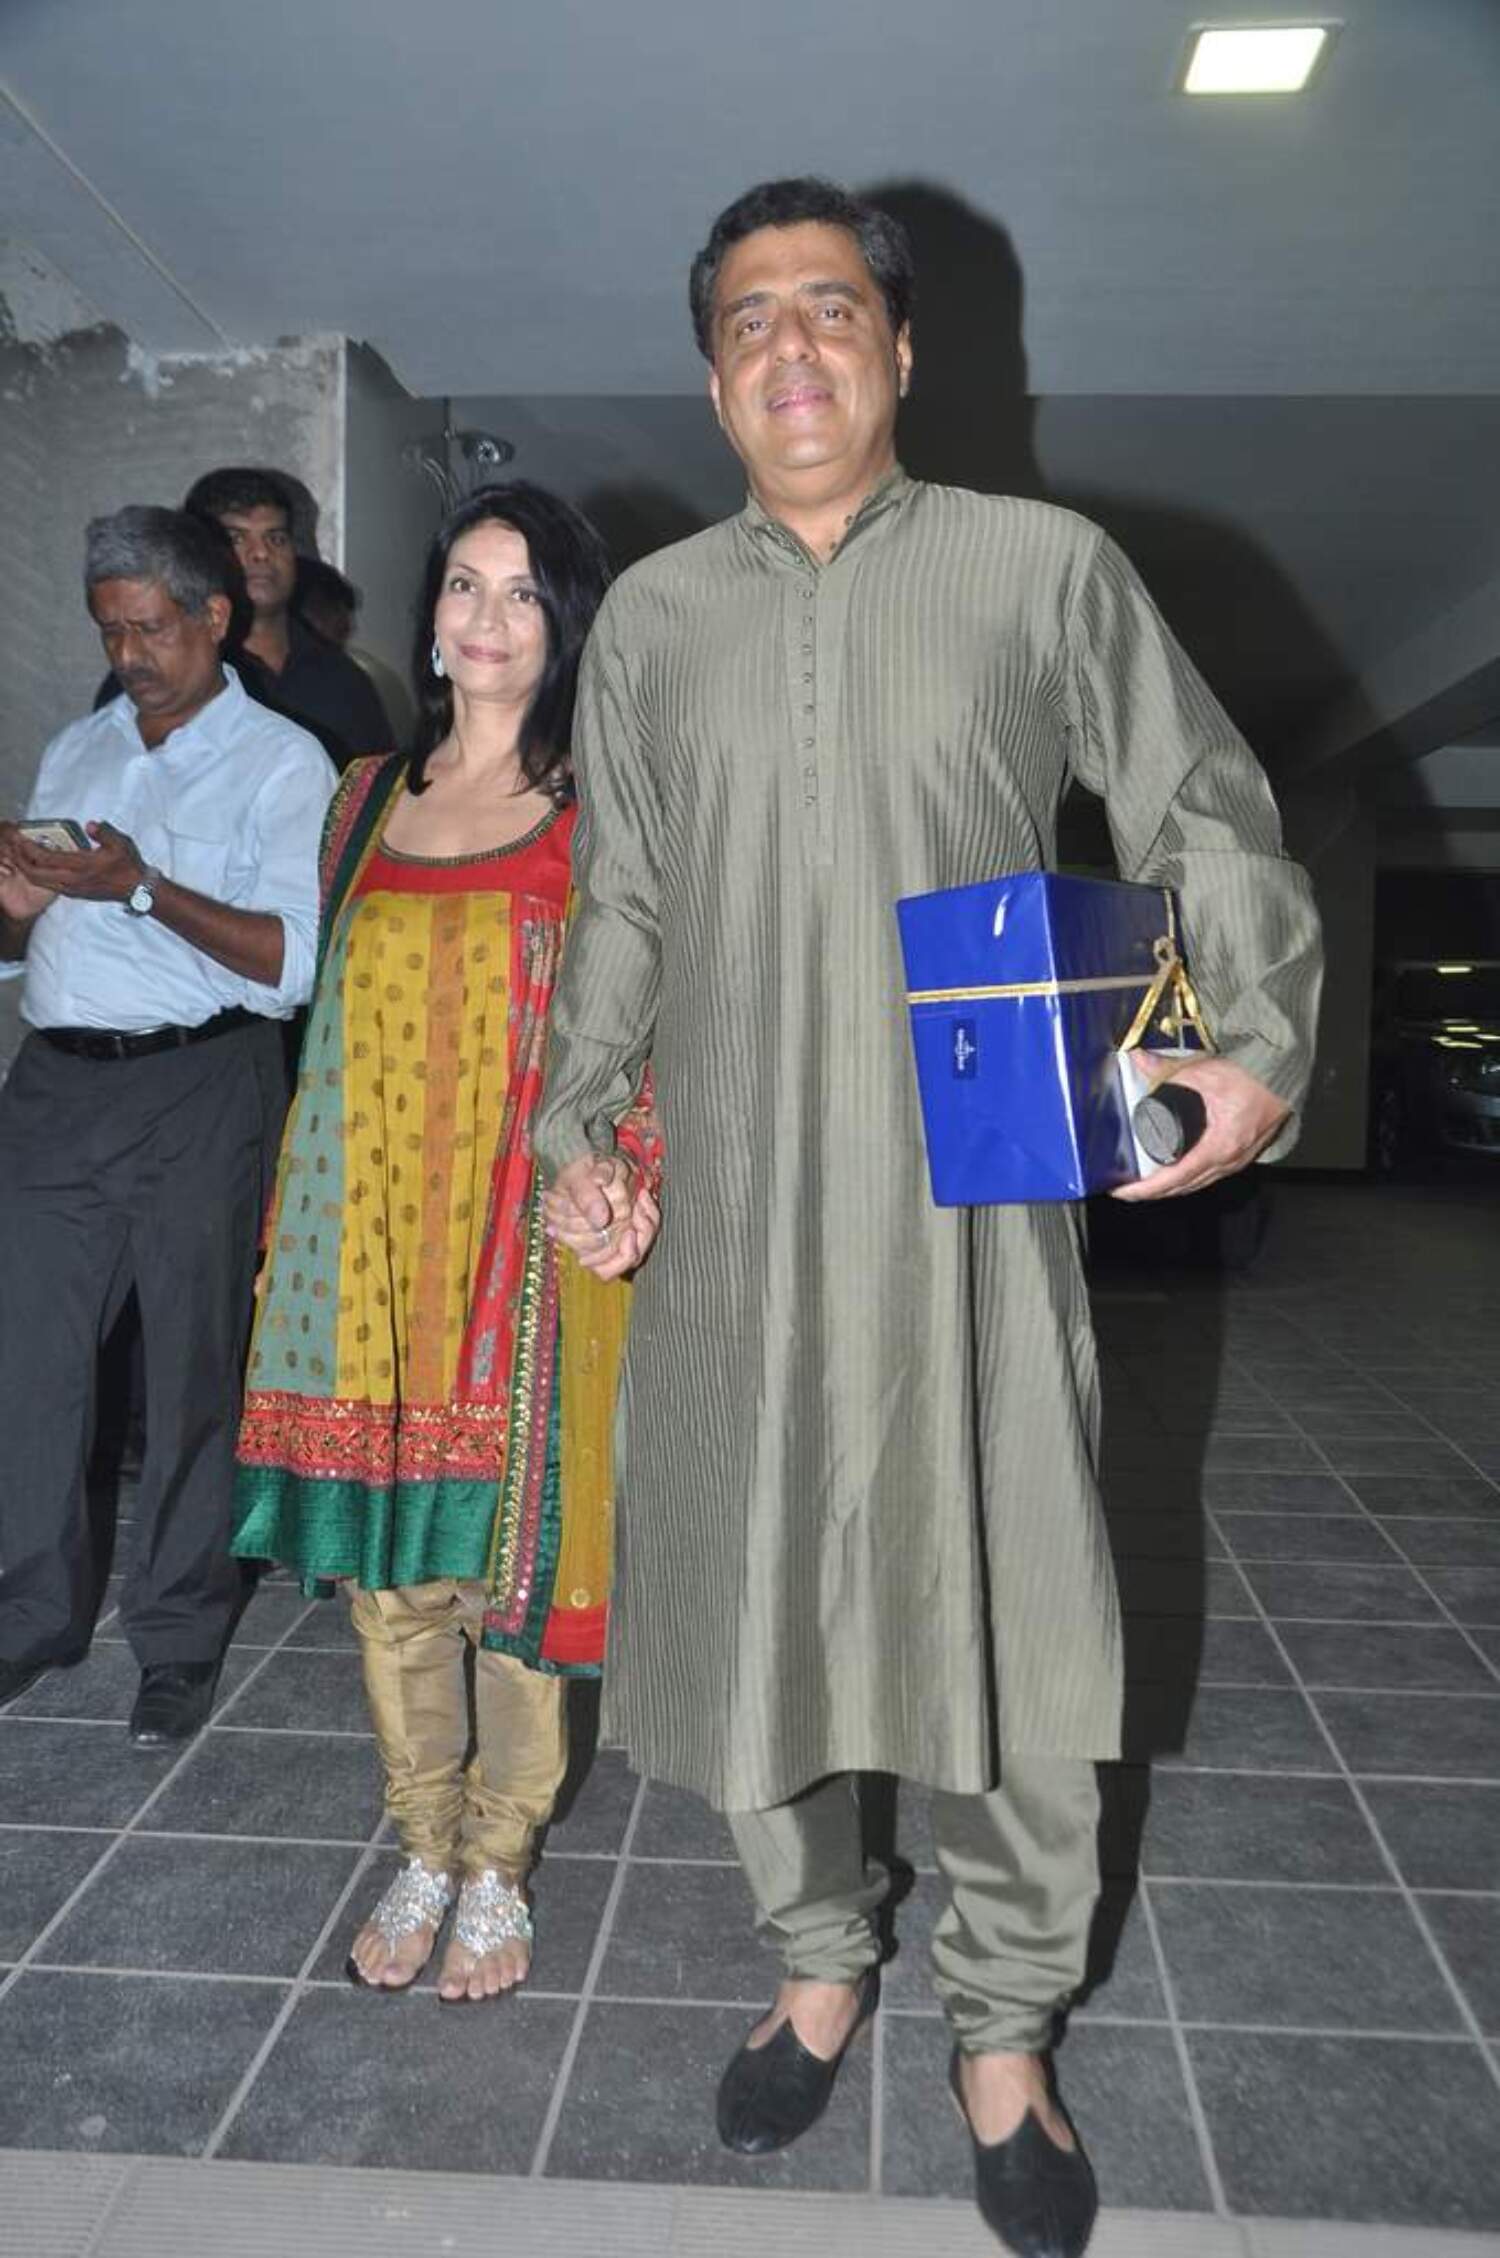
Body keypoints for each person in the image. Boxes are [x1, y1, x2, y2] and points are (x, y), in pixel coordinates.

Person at [538, 179, 1322, 2258]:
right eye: (744, 325)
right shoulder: (658, 619)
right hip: (729, 1214)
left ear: (899, 350)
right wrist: (576, 1124)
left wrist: (1251, 1036)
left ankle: (1004, 2030)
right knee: (743, 1600)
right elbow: (617, 900)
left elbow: (1199, 802)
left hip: (974, 1197)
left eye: (826, 312)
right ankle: (817, 1960)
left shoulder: (1038, 566)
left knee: (1011, 1613)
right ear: (715, 377)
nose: (786, 350)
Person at [232, 483, 658, 2003]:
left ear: (564, 626)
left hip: (524, 1248)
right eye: (465, 586)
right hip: (367, 1235)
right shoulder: (364, 799)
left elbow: (651, 1031)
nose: (485, 619)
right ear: (429, 613)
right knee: (388, 1583)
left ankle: (499, 1861)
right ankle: (419, 1836)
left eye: (522, 593)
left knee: (509, 1578)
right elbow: (322, 1019)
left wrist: (623, 1175)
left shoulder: (606, 808)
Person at [0, 506, 336, 1742]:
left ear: (215, 618)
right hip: (53, 1084)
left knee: (192, 1369)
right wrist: (20, 894)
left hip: (200, 1085)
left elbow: (288, 964)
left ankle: (180, 1636)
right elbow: (22, 935)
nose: (129, 651)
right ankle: (32, 1611)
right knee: (25, 1365)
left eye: (149, 627)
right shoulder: (73, 748)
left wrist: (138, 880)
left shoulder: (286, 765)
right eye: (109, 630)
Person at [185, 467, 394, 767]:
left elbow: (378, 802)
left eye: (276, 538)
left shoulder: (345, 682)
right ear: (198, 555)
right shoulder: (169, 677)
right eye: (236, 538)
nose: (261, 554)